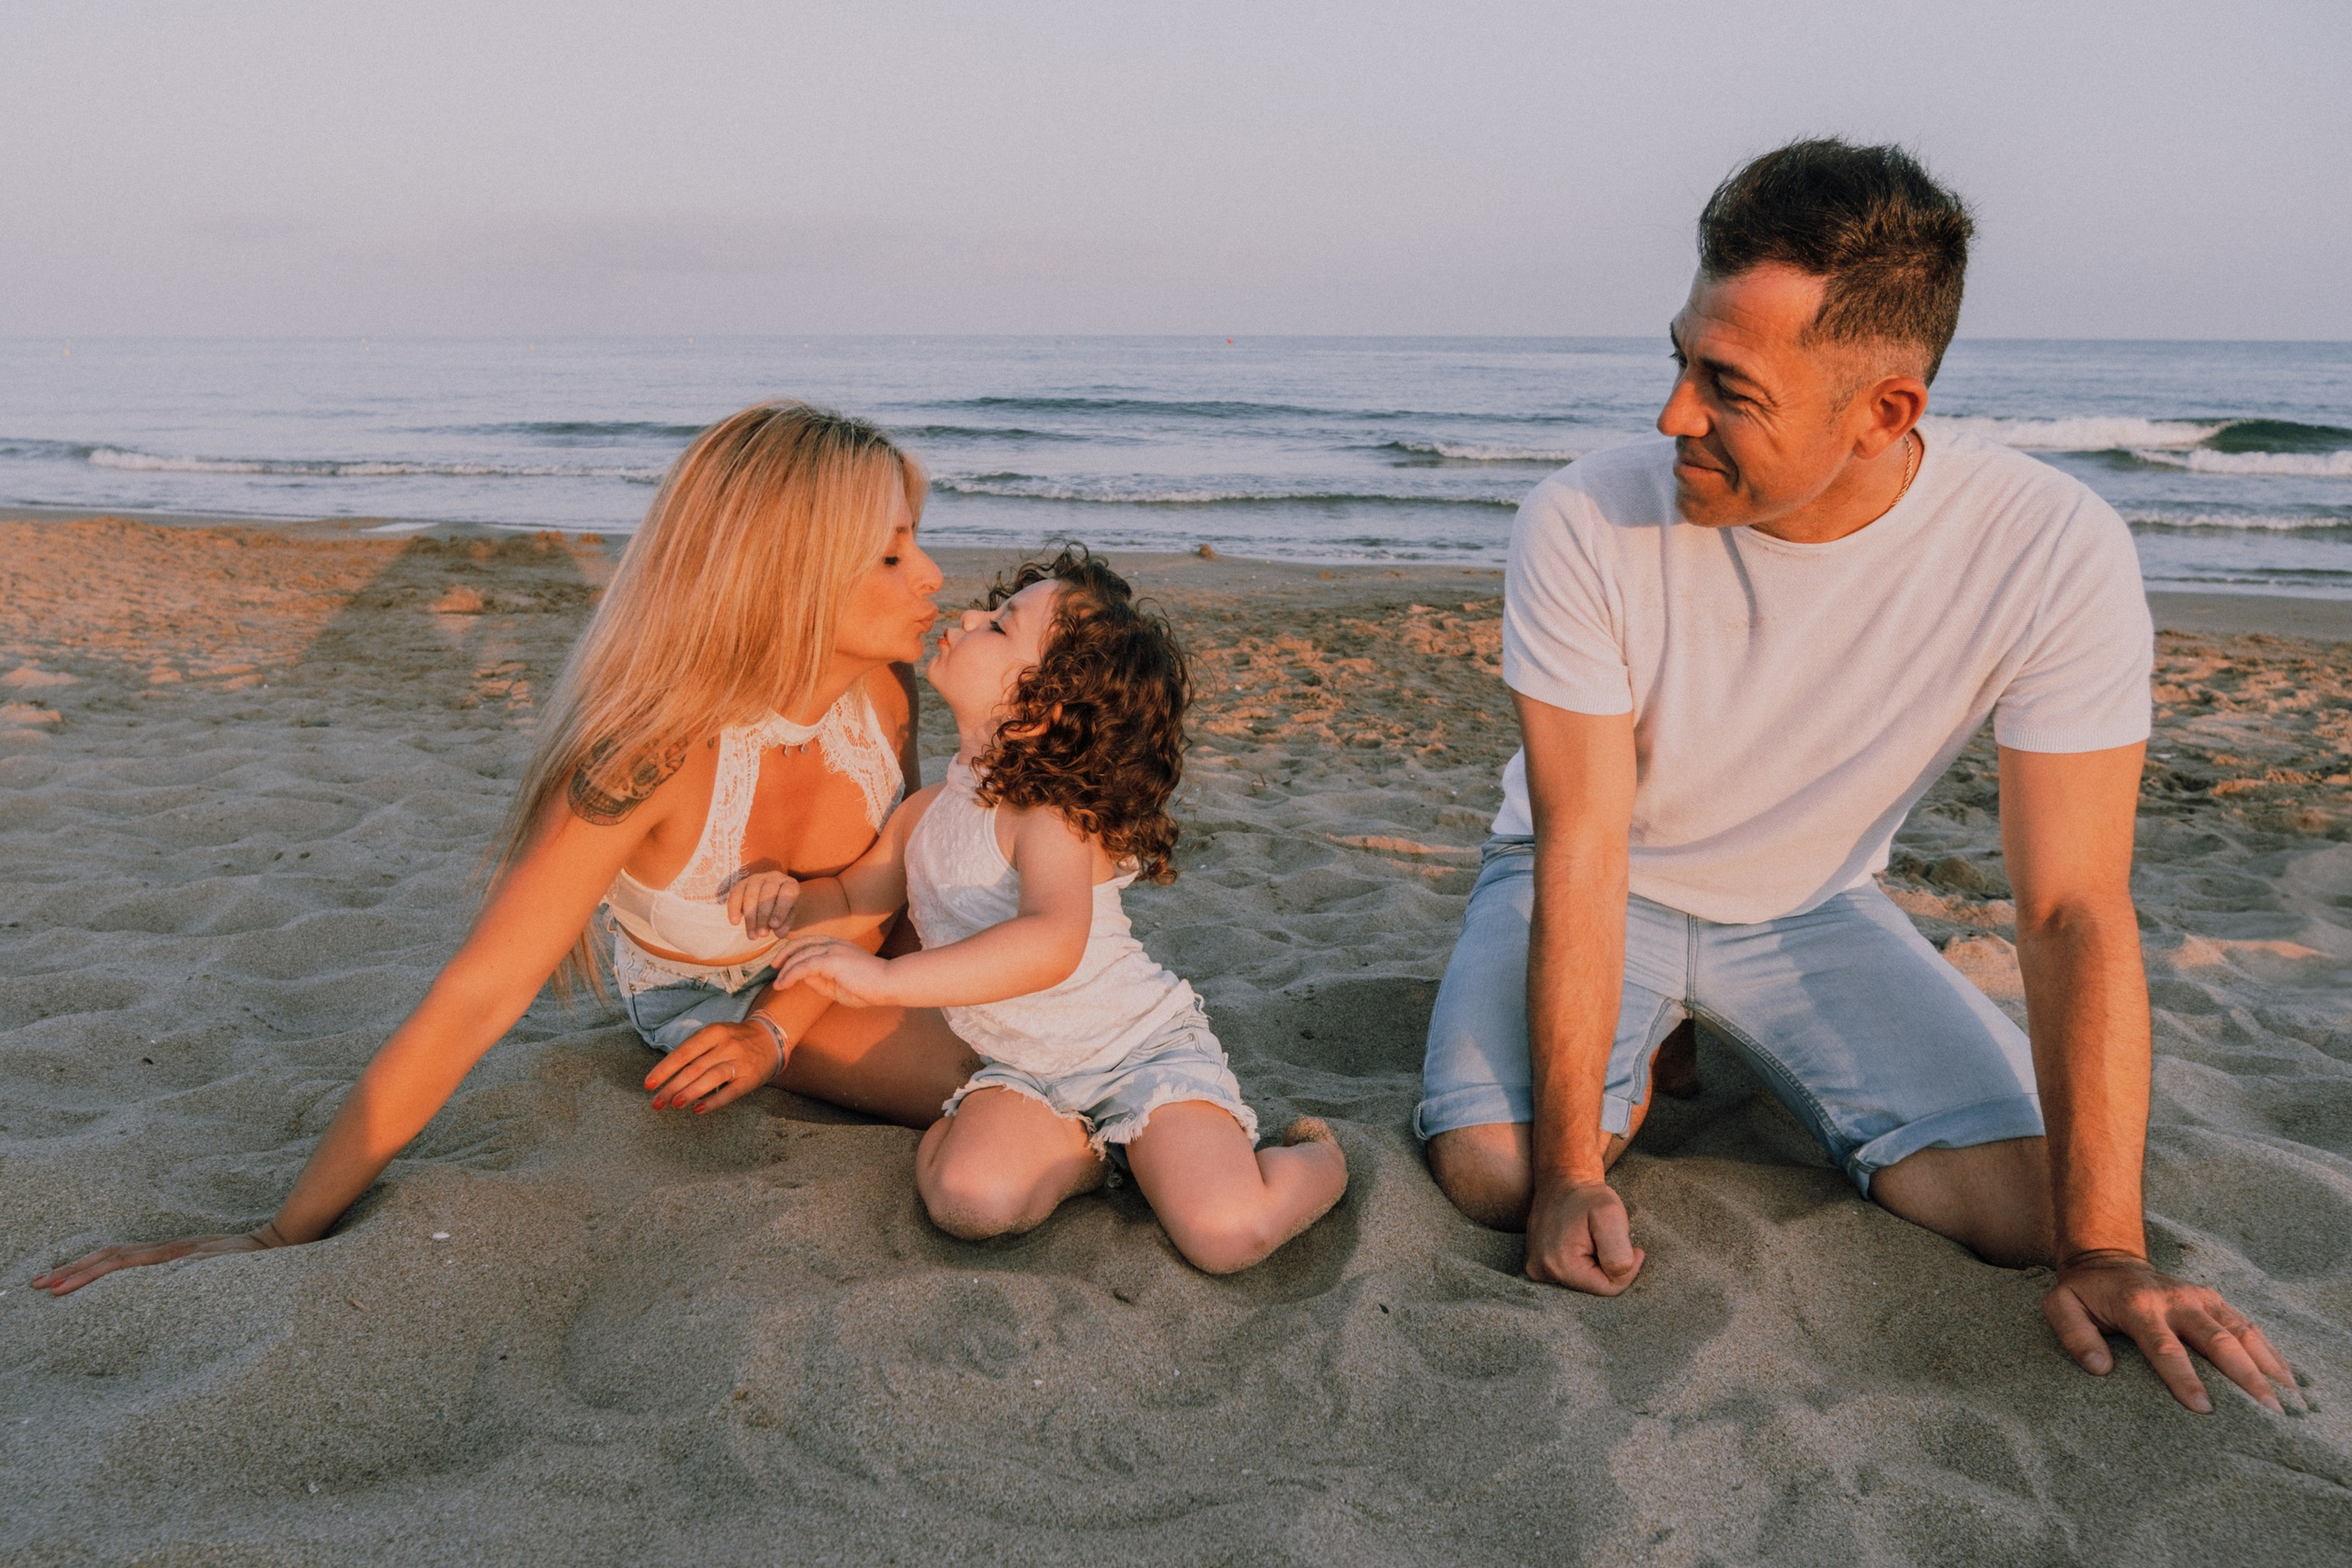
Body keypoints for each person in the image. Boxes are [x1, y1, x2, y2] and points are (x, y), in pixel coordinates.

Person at [1417, 140, 2295, 1415]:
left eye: (1728, 387)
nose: (1672, 415)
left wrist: (2108, 1252)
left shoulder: (2050, 549)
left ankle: (1696, 1040)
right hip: (1600, 880)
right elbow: (1585, 847)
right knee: (1497, 1177)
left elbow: (2069, 906)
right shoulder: (1585, 518)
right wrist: (1567, 1174)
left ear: (1883, 411)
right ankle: (1649, 1046)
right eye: (1679, 359)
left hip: (1813, 906)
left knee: (2041, 1214)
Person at [36, 401, 979, 1297]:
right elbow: (475, 999)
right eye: (892, 553)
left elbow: (886, 889)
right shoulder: (647, 760)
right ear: (784, 571)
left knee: (1041, 1006)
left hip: (852, 949)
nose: (932, 573)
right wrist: (280, 1233)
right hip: (718, 994)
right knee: (978, 1071)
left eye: (917, 540)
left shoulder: (882, 693)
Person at [771, 547, 1349, 1273]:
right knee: (967, 1199)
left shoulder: (1050, 814)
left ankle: (1318, 1160)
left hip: (1135, 1053)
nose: (970, 617)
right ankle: (1090, 1151)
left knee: (1227, 1232)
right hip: (1020, 1070)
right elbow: (856, 895)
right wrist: (792, 898)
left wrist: (887, 981)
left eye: (999, 625)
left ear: (1039, 708)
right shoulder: (923, 814)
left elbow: (1052, 939)